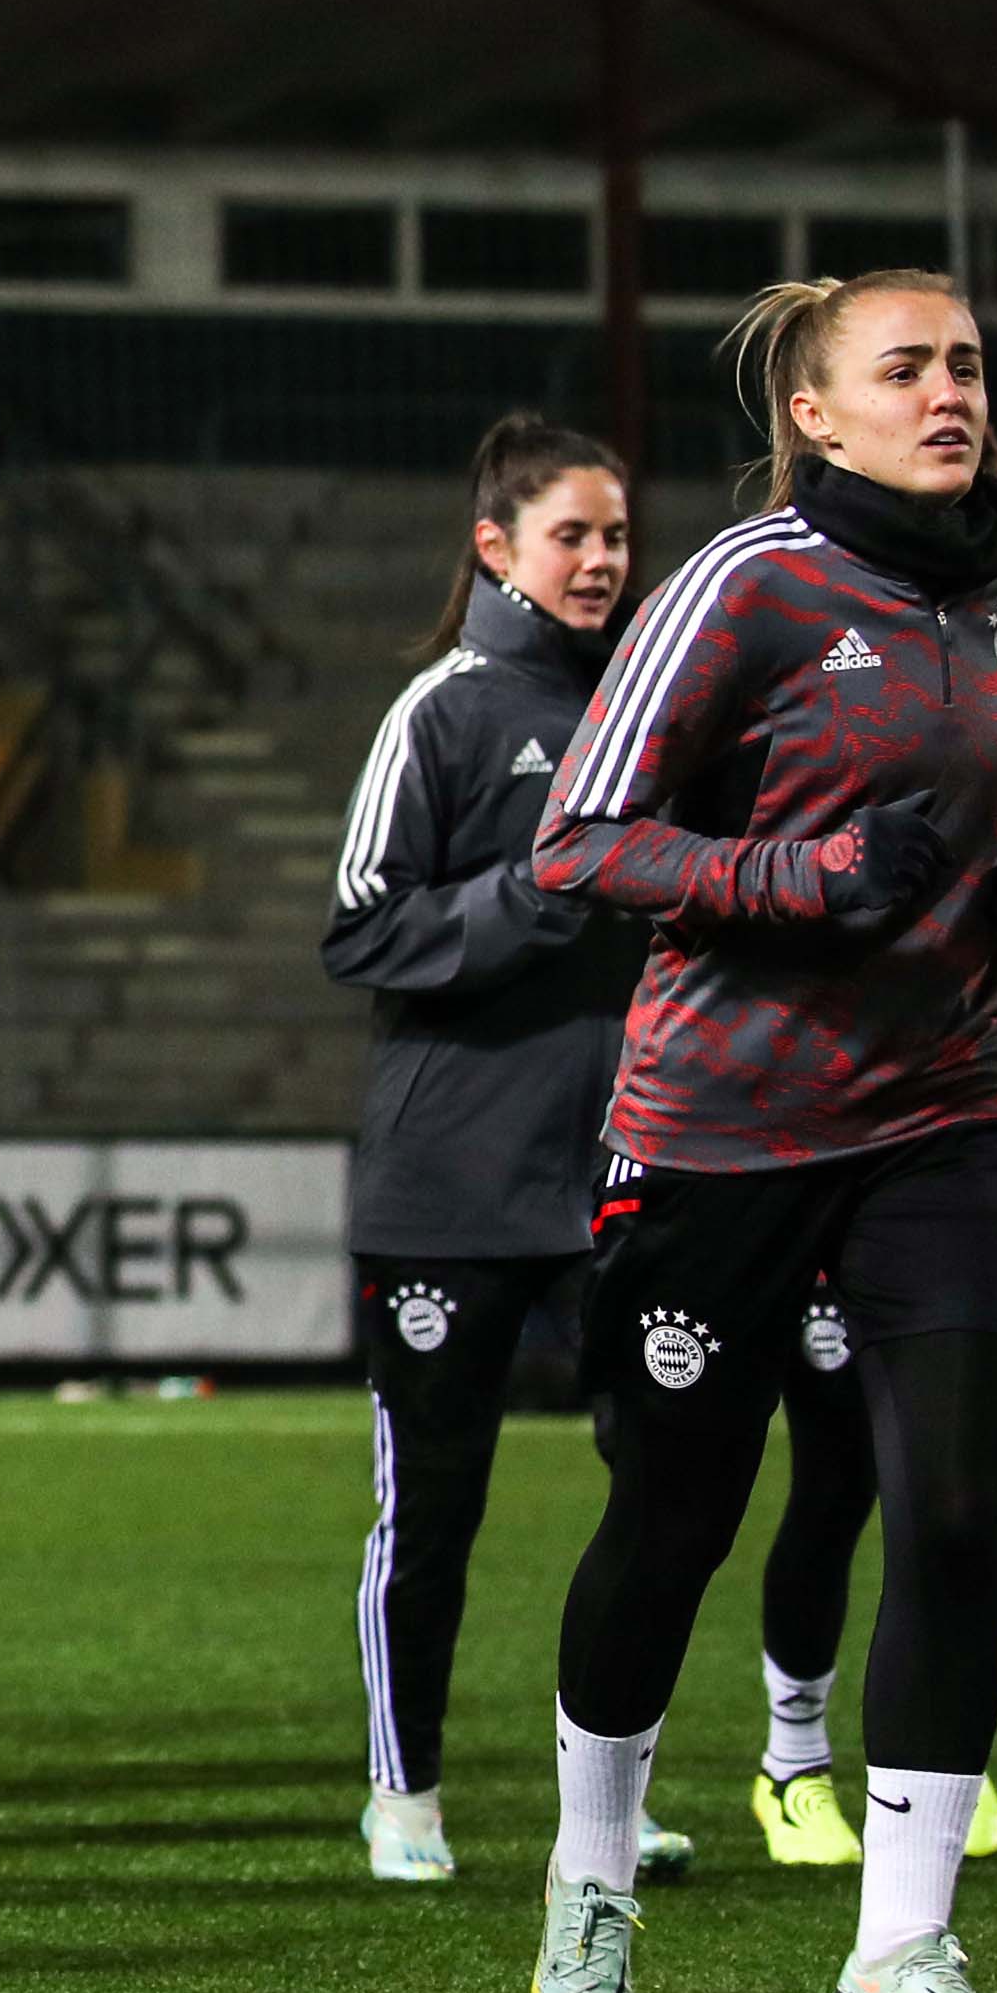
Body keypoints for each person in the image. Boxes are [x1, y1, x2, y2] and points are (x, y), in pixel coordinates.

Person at [521, 269, 997, 1993]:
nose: (949, 392)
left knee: (950, 1510)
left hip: (945, 1111)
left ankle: (902, 1941)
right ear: (816, 414)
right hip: (720, 1125)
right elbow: (578, 843)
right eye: (905, 367)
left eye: (967, 364)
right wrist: (805, 878)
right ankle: (589, 1874)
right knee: (671, 1519)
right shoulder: (738, 584)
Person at [321, 413, 681, 1887]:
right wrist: (538, 899)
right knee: (437, 1499)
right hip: (453, 1180)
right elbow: (358, 924)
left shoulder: (660, 708)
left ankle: (608, 1797)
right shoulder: (446, 709)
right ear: (495, 547)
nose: (599, 561)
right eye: (569, 536)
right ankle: (402, 1791)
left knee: (664, 1484)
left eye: (613, 535)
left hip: (629, 1165)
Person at [744, 697, 997, 1868]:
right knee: (838, 1479)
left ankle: (932, 1726)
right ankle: (793, 1760)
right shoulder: (844, 693)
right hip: (852, 1139)